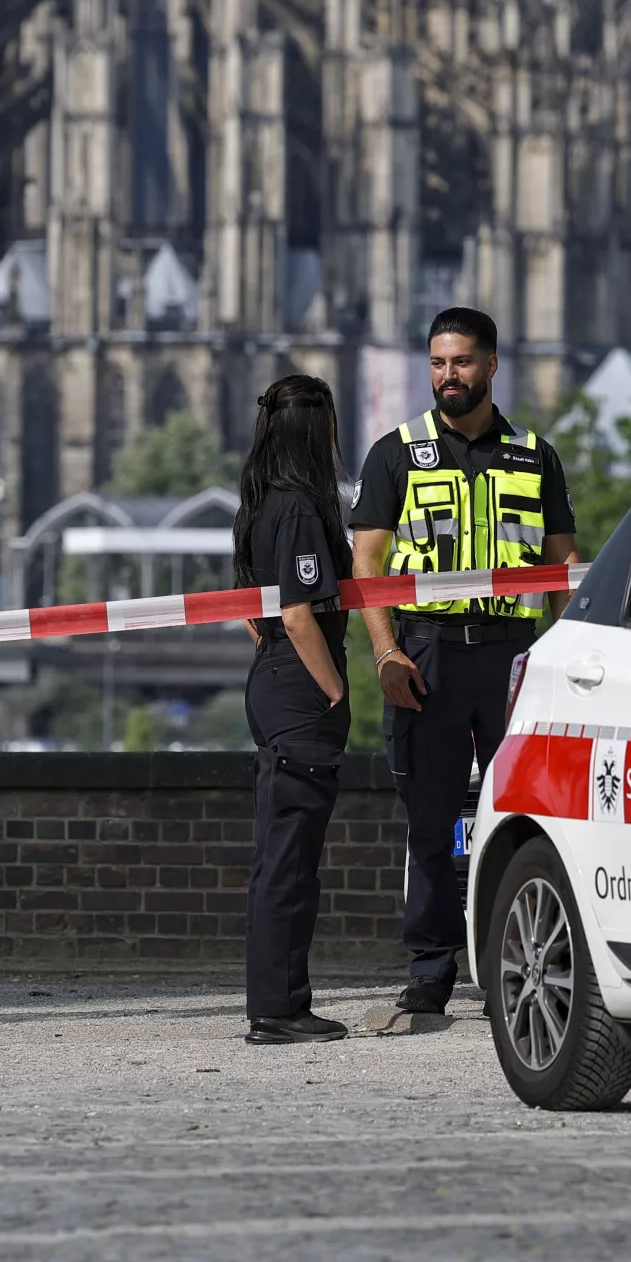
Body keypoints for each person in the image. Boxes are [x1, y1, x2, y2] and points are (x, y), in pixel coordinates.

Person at [351, 308, 578, 1018]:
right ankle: (431, 970)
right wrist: (386, 651)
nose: (448, 375)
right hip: (427, 655)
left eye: (462, 362)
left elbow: (563, 567)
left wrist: (572, 662)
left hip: (514, 658)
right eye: (438, 363)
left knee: (528, 814)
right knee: (429, 820)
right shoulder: (394, 452)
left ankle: (523, 960)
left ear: (492, 365)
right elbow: (366, 564)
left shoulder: (536, 456)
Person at [233, 374, 355, 1046]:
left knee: (278, 853)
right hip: (301, 689)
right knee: (291, 858)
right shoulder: (302, 508)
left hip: (271, 678)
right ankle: (279, 1008)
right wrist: (333, 688)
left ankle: (277, 999)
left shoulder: (257, 504)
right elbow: (298, 611)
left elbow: (249, 612)